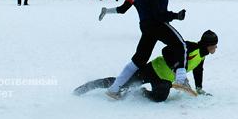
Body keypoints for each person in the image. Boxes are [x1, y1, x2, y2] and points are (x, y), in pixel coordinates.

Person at [105, 0, 189, 100]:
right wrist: (175, 15)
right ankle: (181, 80)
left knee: (138, 60)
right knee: (180, 45)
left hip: (145, 25)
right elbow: (157, 12)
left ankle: (114, 89)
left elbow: (133, 1)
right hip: (157, 23)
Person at [74, 30, 219, 101]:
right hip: (153, 69)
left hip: (164, 80)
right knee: (123, 83)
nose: (215, 48)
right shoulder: (189, 47)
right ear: (208, 45)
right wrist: (176, 68)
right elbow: (166, 50)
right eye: (214, 46)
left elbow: (198, 72)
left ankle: (141, 92)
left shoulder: (202, 56)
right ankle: (86, 87)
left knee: (160, 98)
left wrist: (199, 89)